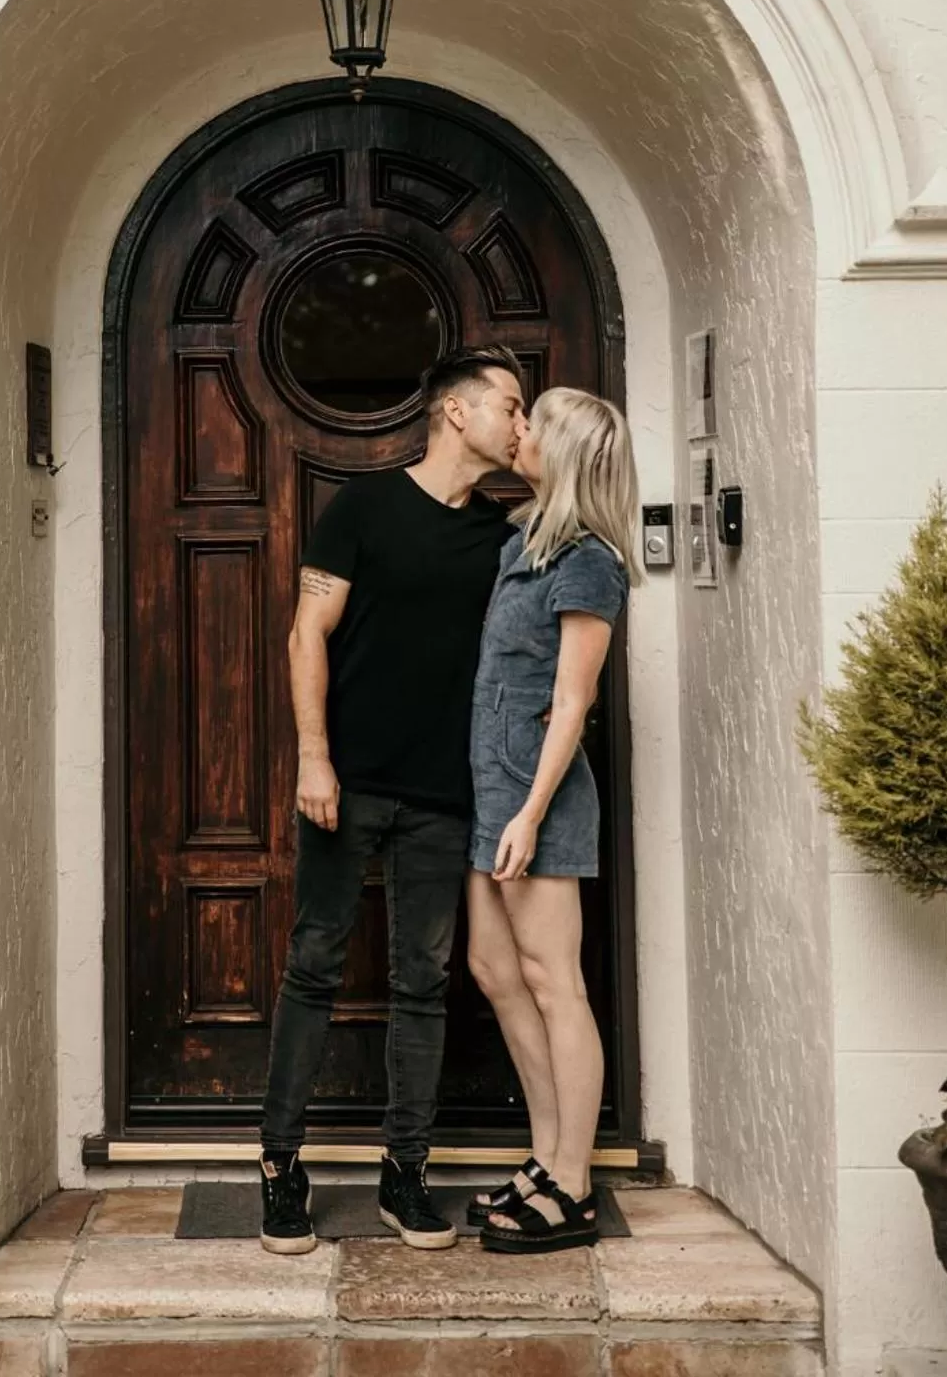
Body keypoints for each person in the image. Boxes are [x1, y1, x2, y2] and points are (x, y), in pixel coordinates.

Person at [258, 346, 528, 1255]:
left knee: (425, 982)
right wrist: (313, 759)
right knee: (315, 966)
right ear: (455, 412)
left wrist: (533, 459)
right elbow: (308, 632)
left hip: (444, 794)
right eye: (509, 408)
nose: (519, 425)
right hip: (348, 783)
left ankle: (403, 1170)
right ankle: (279, 1165)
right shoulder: (363, 507)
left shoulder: (502, 537)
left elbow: (575, 506)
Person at [464, 386, 641, 1254]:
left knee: (552, 980)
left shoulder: (589, 562)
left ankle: (572, 1182)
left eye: (531, 423)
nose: (518, 430)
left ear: (565, 452)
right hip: (492, 788)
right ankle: (544, 1156)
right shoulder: (526, 541)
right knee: (494, 968)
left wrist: (531, 814)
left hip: (538, 796)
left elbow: (573, 703)